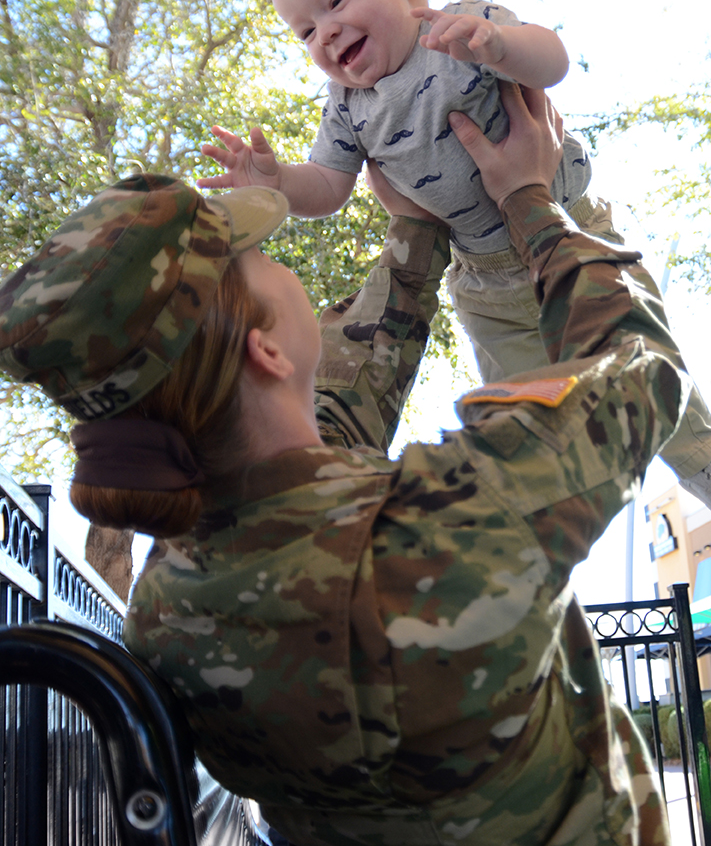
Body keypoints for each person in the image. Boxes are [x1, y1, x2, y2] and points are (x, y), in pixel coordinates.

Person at [0, 83, 685, 844]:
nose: (281, 268)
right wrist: (530, 199)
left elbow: (347, 399)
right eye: (255, 257)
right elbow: (641, 365)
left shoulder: (167, 609)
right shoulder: (454, 518)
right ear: (264, 347)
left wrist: (416, 220)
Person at [197, 0, 711, 508]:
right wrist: (277, 180)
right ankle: (548, 523)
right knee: (530, 428)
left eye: (335, 3)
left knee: (654, 386)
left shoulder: (460, 27)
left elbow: (553, 59)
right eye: (305, 31)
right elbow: (329, 189)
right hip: (487, 286)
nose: (325, 34)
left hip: (575, 233)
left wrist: (499, 47)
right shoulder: (345, 106)